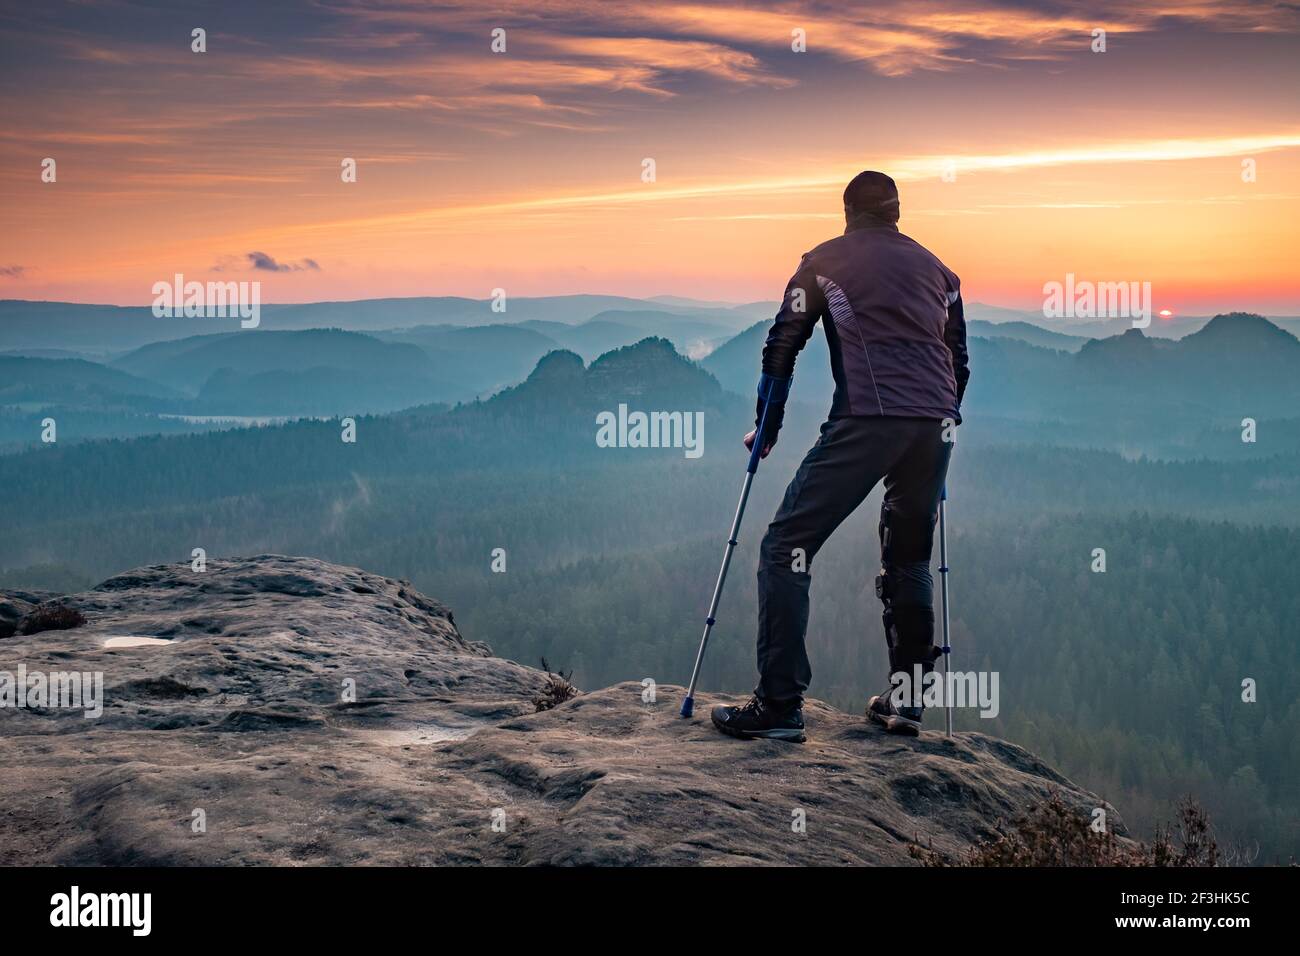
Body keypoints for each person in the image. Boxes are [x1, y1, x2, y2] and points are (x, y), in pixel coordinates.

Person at [711, 171, 970, 742]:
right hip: (934, 425)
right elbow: (957, 360)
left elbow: (783, 342)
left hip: (868, 419)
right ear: (897, 212)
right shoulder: (940, 272)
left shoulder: (823, 261)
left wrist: (766, 428)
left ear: (848, 210)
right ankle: (906, 703)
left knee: (785, 547)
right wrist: (942, 432)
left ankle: (779, 706)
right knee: (909, 560)